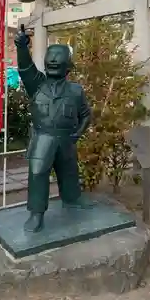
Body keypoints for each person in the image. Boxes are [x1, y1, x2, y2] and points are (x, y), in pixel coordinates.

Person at [15, 27, 92, 232]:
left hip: (67, 139)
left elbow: (86, 115)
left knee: (69, 172)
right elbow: (25, 67)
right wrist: (22, 46)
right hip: (43, 138)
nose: (54, 62)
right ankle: (36, 213)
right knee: (38, 173)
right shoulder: (36, 84)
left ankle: (73, 201)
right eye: (51, 59)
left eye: (59, 59)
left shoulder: (76, 90)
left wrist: (78, 133)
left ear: (68, 66)